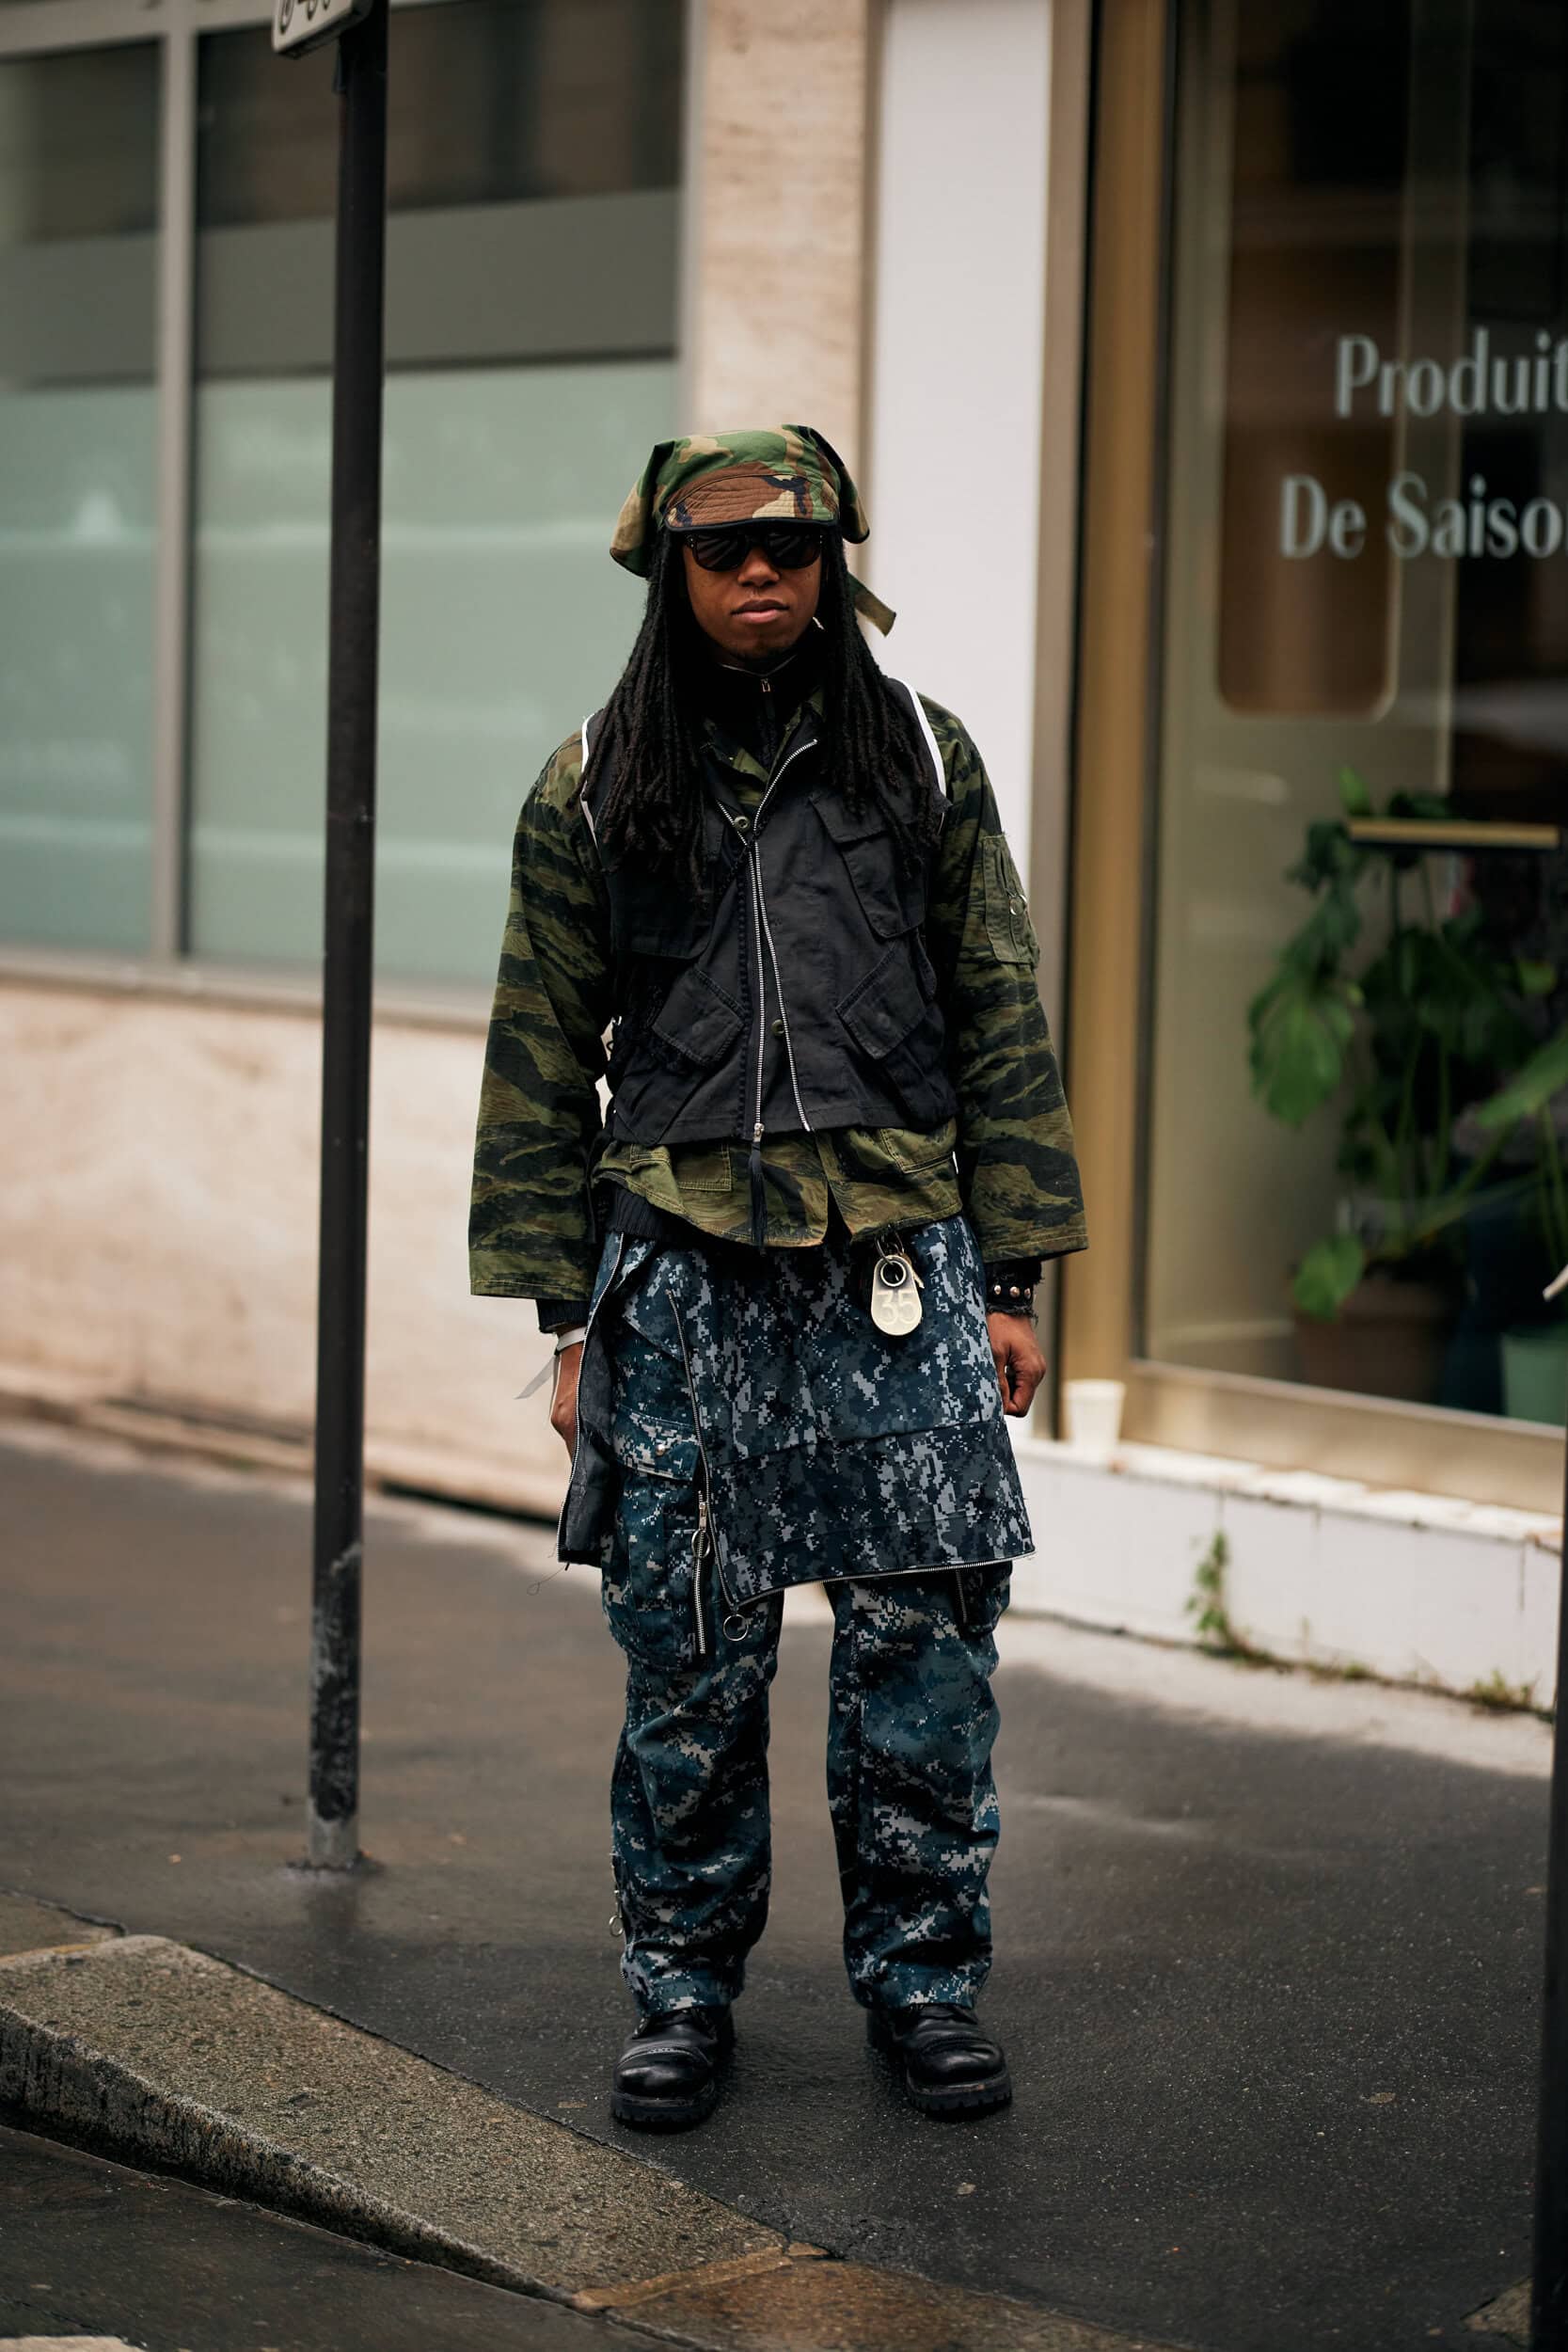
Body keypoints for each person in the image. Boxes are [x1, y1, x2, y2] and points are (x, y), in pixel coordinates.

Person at [470, 426, 1085, 2130]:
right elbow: (537, 1062)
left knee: (925, 1658)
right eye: (727, 550)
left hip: (899, 1270)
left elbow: (1000, 1018)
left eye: (794, 548)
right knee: (688, 1662)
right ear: (670, 571)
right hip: (681, 1283)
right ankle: (681, 1995)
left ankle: (925, 1987)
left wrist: (1017, 1277)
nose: (763, 573)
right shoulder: (593, 782)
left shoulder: (923, 761)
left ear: (834, 565)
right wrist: (564, 1326)